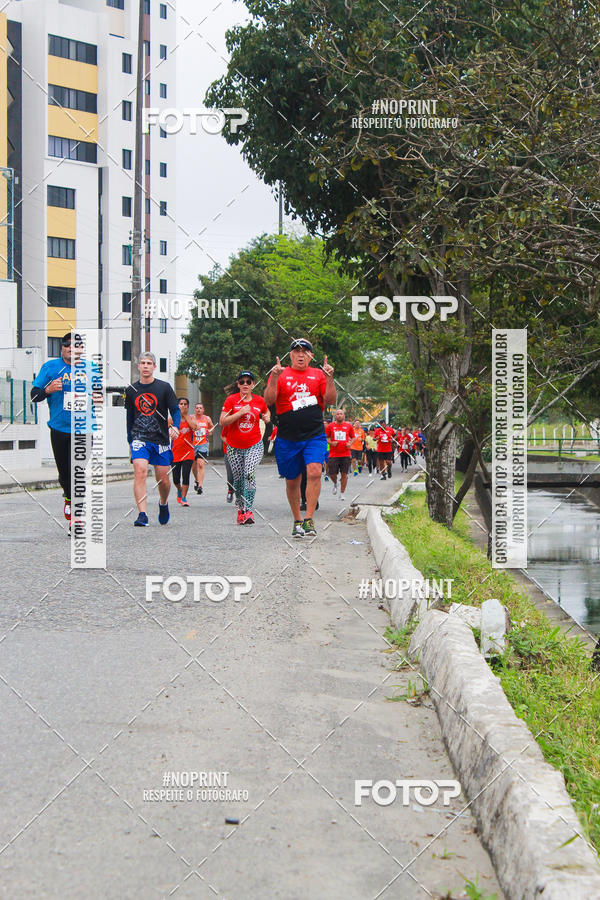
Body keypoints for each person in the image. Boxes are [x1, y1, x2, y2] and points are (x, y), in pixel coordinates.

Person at [30, 331, 102, 532]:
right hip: (60, 428)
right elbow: (34, 396)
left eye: (76, 345)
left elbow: (98, 394)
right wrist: (47, 390)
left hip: (85, 428)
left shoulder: (91, 368)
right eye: (68, 345)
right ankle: (68, 497)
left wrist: (98, 399)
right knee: (65, 474)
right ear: (62, 348)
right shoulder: (50, 368)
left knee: (77, 471)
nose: (72, 348)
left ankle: (77, 519)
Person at [264, 338, 336, 537]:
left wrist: (330, 378)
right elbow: (269, 400)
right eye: (296, 351)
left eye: (305, 351)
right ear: (291, 355)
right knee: (292, 480)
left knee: (314, 471)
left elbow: (330, 400)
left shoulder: (318, 375)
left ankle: (309, 519)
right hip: (288, 435)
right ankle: (297, 520)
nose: (301, 354)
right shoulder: (281, 373)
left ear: (311, 356)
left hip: (314, 434)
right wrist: (274, 378)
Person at [125, 352, 180, 526]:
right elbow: (129, 417)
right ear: (138, 366)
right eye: (143, 363)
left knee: (163, 479)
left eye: (149, 363)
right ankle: (142, 514)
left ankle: (163, 503)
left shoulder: (164, 387)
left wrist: (175, 426)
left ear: (154, 367)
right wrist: (129, 441)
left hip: (161, 439)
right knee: (140, 471)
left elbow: (176, 410)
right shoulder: (131, 390)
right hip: (139, 438)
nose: (146, 366)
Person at [220, 370, 270, 524]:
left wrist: (267, 417)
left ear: (253, 385)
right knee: (238, 479)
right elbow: (222, 421)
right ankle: (241, 508)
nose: (245, 384)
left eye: (249, 382)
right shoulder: (231, 400)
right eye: (242, 382)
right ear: (238, 384)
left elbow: (266, 413)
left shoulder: (259, 401)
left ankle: (248, 510)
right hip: (234, 447)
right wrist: (240, 413)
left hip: (254, 445)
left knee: (249, 474)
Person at [170, 398, 196, 507]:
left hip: (188, 452)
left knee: (185, 475)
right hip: (175, 452)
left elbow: (194, 427)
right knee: (176, 478)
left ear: (188, 406)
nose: (183, 406)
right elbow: (162, 428)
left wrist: (185, 415)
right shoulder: (172, 420)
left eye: (185, 404)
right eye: (181, 404)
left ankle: (184, 498)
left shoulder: (191, 418)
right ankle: (179, 489)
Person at [325, 409, 355, 500]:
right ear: (335, 416)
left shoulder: (348, 426)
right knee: (332, 473)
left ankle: (342, 493)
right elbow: (325, 437)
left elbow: (353, 437)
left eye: (341, 414)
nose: (339, 415)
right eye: (337, 414)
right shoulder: (330, 426)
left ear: (344, 415)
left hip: (345, 454)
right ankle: (335, 483)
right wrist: (331, 443)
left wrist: (350, 444)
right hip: (333, 454)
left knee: (344, 474)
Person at [191, 402, 214, 494]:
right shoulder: (191, 418)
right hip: (192, 444)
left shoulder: (207, 418)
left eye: (200, 408)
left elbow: (212, 428)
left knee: (200, 464)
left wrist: (210, 432)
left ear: (203, 410)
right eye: (197, 408)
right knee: (193, 466)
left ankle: (200, 486)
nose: (199, 409)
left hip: (203, 444)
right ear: (195, 410)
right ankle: (196, 480)